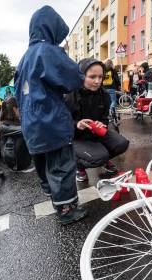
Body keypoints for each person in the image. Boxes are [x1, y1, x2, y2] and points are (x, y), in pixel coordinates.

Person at [15, 5, 88, 225]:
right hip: (51, 120)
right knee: (62, 165)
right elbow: (73, 79)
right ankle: (66, 209)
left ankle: (54, 196)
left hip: (31, 124)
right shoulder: (48, 51)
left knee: (44, 163)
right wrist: (64, 56)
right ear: (52, 27)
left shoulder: (24, 58)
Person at [65, 58, 129, 183]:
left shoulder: (104, 95)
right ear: (81, 76)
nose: (97, 81)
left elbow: (104, 118)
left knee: (122, 143)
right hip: (75, 137)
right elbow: (59, 123)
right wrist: (76, 124)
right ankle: (79, 167)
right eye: (92, 77)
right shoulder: (70, 95)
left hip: (94, 132)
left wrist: (102, 123)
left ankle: (103, 159)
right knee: (99, 156)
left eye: (100, 77)